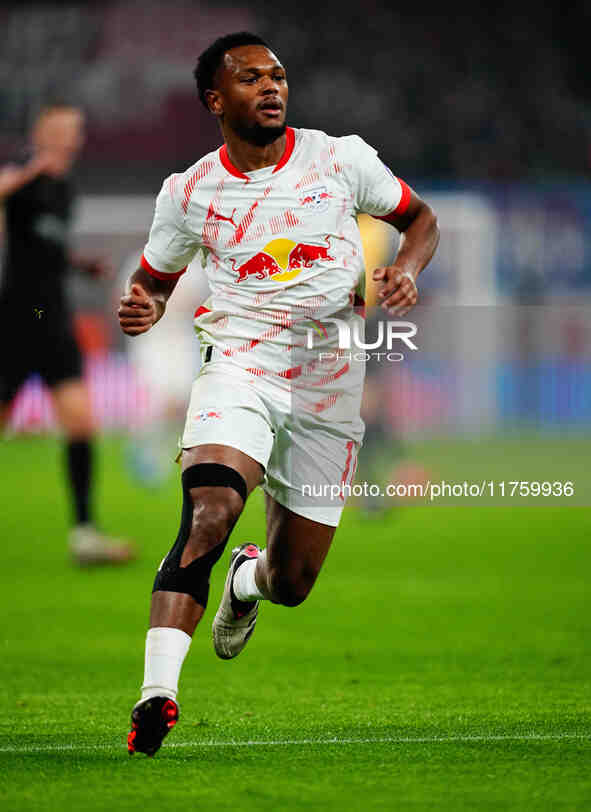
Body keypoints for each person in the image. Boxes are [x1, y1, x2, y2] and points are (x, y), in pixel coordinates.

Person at [119, 32, 439, 756]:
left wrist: (407, 270)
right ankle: (156, 695)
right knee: (210, 508)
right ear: (215, 99)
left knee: (291, 580)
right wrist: (144, 306)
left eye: (278, 76)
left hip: (329, 382)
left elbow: (418, 220)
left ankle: (247, 582)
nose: (271, 87)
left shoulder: (340, 159)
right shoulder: (190, 191)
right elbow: (154, 281)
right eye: (250, 78)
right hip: (239, 365)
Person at [0, 104, 136, 566]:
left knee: (81, 422)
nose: (72, 138)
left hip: (52, 316)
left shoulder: (64, 191)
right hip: (17, 317)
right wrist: (30, 170)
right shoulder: (21, 178)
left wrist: (82, 265)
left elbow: (47, 250)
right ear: (41, 132)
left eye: (76, 130)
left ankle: (85, 534)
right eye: (64, 129)